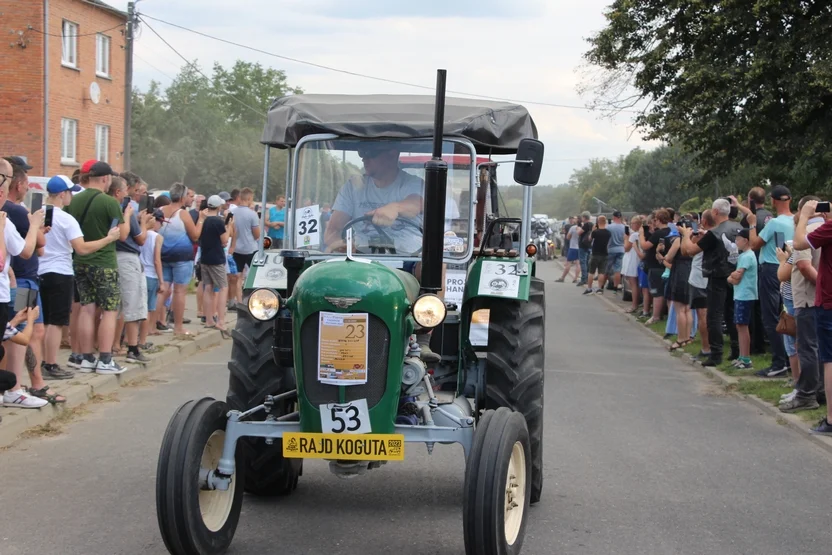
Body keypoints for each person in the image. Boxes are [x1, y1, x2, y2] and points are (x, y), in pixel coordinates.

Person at [38, 175, 120, 379]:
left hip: (41, 270)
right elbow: (82, 248)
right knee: (56, 323)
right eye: (70, 193)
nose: (72, 197)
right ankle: (50, 364)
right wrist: (108, 239)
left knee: (43, 322)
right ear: (62, 194)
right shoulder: (66, 219)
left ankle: (45, 362)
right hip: (61, 271)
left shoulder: (38, 214)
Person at [64, 161, 131, 374]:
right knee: (110, 310)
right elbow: (121, 233)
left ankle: (85, 358)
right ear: (105, 179)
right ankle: (104, 359)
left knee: (86, 308)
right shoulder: (109, 203)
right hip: (104, 262)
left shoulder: (73, 201)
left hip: (80, 261)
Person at [0, 158, 45, 408]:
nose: (27, 186)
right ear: (13, 184)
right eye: (25, 181)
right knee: (20, 333)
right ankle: (19, 386)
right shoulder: (15, 211)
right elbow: (37, 246)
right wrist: (36, 225)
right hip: (23, 281)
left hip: (20, 279)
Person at [738, 185, 794, 377]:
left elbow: (754, 244)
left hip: (771, 268)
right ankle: (788, 358)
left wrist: (752, 223)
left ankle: (779, 362)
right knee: (787, 313)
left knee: (771, 317)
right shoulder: (795, 221)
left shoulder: (774, 223)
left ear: (773, 201)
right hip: (789, 267)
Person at [680, 199, 742, 367]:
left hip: (717, 275)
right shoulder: (738, 228)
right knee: (731, 314)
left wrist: (686, 235)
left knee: (714, 316)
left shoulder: (714, 233)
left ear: (715, 212)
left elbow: (691, 250)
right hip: (736, 273)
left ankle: (716, 354)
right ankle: (736, 350)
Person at [781, 197, 825, 413]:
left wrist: (821, 287)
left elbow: (805, 266)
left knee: (808, 348)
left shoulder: (805, 232)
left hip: (809, 299)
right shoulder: (827, 228)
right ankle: (821, 391)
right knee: (822, 349)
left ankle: (807, 394)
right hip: (822, 299)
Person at [794, 200, 832, 434]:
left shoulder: (828, 229)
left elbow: (799, 243)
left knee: (829, 360)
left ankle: (831, 418)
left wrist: (805, 216)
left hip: (828, 300)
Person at [109, 176, 155, 363]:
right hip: (128, 258)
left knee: (115, 306)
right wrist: (143, 223)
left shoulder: (107, 207)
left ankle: (112, 345)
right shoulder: (124, 210)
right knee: (133, 303)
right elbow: (140, 238)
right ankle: (132, 347)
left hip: (111, 257)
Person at [158, 183, 204, 336]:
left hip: (163, 255)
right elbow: (195, 235)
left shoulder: (161, 211)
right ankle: (178, 327)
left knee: (162, 290)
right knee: (179, 291)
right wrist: (201, 220)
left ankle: (155, 323)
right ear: (183, 197)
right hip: (182, 257)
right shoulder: (183, 214)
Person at [198, 195, 232, 337]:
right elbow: (224, 240)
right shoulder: (217, 221)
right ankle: (221, 320)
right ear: (218, 207)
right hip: (216, 258)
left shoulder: (204, 220)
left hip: (204, 257)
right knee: (223, 287)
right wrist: (229, 225)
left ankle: (209, 319)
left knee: (208, 287)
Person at [728, 229, 758, 370]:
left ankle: (746, 358)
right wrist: (732, 276)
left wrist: (732, 277)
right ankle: (741, 356)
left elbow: (737, 277)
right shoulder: (743, 256)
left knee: (743, 326)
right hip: (741, 294)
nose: (736, 242)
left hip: (745, 295)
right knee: (739, 326)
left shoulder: (747, 256)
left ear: (745, 240)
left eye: (738, 239)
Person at [688, 210, 713, 360]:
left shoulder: (703, 237)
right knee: (712, 314)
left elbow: (687, 250)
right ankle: (713, 346)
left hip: (699, 278)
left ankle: (706, 348)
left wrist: (686, 235)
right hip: (712, 277)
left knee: (702, 315)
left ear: (703, 221)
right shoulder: (717, 234)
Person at [229, 187, 261, 306]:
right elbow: (257, 234)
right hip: (250, 248)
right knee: (253, 276)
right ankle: (251, 299)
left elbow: (229, 230)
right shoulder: (252, 214)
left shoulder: (232, 213)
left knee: (236, 276)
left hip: (236, 248)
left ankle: (235, 300)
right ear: (248, 198)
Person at [639, 208, 672, 324]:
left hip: (655, 265)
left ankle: (656, 316)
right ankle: (664, 315)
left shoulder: (658, 233)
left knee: (657, 292)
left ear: (658, 220)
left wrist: (641, 234)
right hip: (666, 265)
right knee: (664, 292)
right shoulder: (670, 231)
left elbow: (645, 246)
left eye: (655, 219)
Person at [139, 209, 165, 349]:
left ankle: (131, 338)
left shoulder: (139, 234)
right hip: (151, 275)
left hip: (139, 272)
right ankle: (143, 340)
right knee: (147, 309)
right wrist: (162, 281)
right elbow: (157, 260)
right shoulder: (157, 237)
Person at [584, 215, 611, 295]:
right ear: (605, 222)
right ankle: (599, 288)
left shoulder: (596, 232)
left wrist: (592, 230)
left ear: (598, 222)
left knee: (591, 272)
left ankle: (589, 288)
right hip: (604, 254)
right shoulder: (608, 232)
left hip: (595, 253)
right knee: (601, 272)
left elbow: (589, 239)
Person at [622, 216, 643, 313]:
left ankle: (634, 304)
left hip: (632, 260)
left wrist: (626, 238)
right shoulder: (640, 234)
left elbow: (626, 248)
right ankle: (637, 303)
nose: (632, 225)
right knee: (635, 283)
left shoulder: (634, 235)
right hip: (635, 258)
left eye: (633, 223)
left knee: (633, 283)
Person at [556, 216, 581, 283]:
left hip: (573, 247)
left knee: (568, 263)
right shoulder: (583, 228)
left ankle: (562, 278)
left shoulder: (573, 228)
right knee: (578, 264)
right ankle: (575, 278)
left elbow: (568, 237)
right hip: (580, 248)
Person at [606, 210, 627, 292]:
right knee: (617, 270)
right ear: (620, 217)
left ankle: (601, 286)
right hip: (621, 249)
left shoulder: (609, 227)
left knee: (606, 269)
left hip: (611, 249)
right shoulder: (625, 227)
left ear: (613, 217)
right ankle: (615, 287)